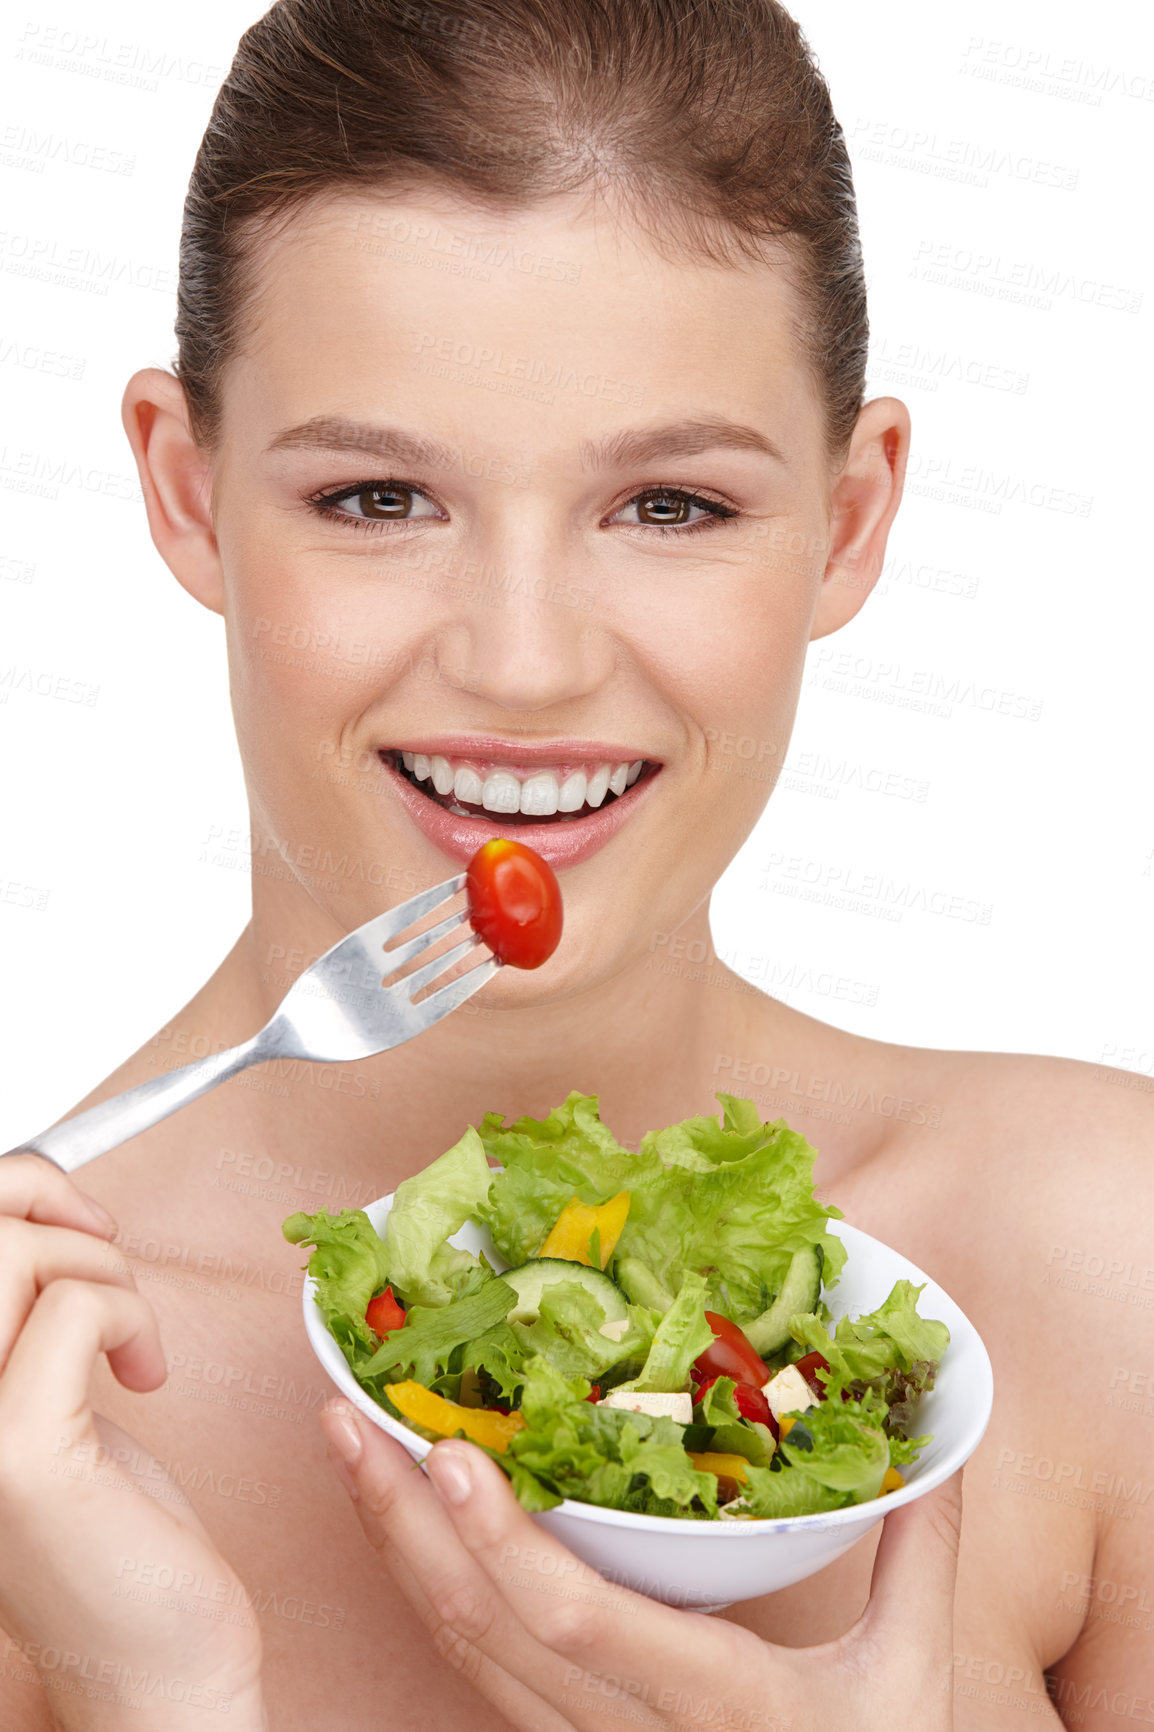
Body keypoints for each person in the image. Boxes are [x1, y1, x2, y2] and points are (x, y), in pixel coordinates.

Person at [1, 0, 1150, 1727]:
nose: (525, 665)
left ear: (849, 521)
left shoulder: (1100, 1261)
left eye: (669, 505)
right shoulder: (39, 1423)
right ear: (185, 490)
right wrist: (144, 1691)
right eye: (380, 498)